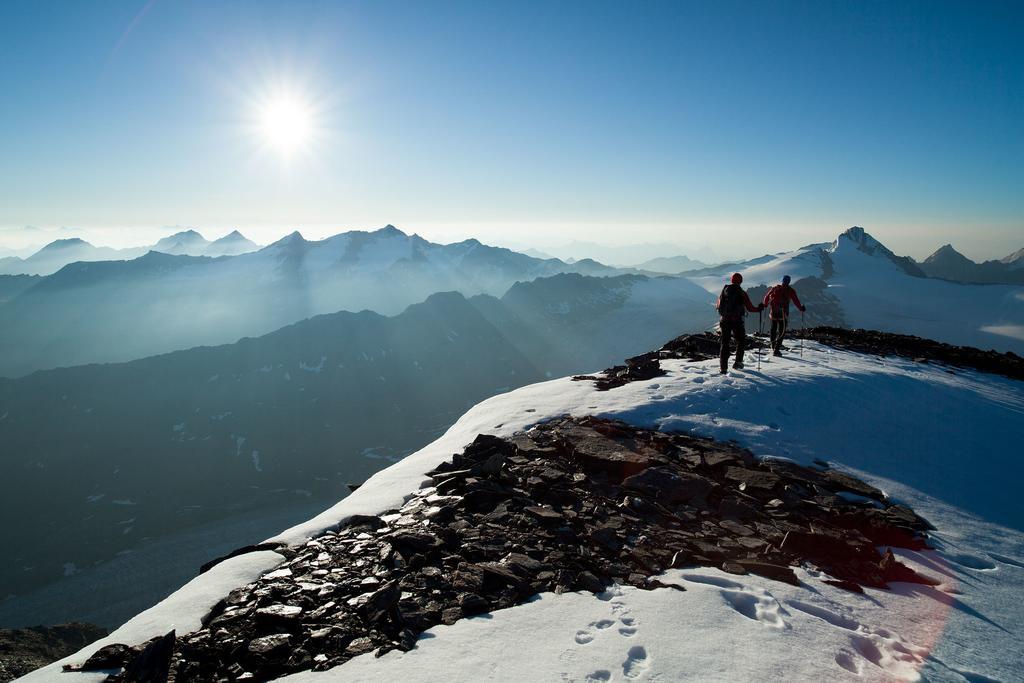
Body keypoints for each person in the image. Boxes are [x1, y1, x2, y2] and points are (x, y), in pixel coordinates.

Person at [716, 272, 763, 373]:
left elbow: (718, 305)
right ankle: (738, 362)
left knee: (725, 344)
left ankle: (723, 368)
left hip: (724, 320)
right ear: (740, 281)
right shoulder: (742, 292)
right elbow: (750, 308)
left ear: (732, 280)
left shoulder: (725, 290)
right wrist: (759, 309)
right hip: (737, 321)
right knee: (741, 341)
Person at [762, 275, 806, 356]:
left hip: (774, 312)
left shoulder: (775, 288)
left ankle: (773, 345)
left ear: (782, 281)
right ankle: (776, 349)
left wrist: (765, 305)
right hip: (783, 313)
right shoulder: (790, 290)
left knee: (773, 329)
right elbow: (796, 301)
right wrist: (801, 308)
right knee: (782, 331)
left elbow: (766, 297)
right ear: (789, 281)